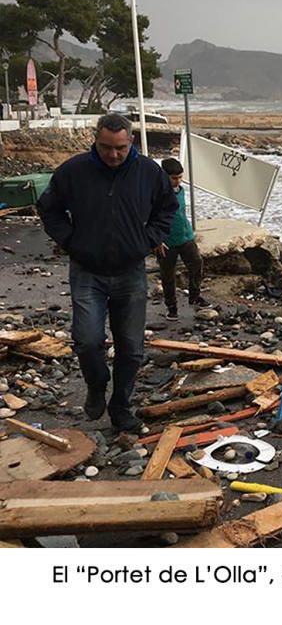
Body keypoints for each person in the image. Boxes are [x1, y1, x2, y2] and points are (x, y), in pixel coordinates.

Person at [37, 113, 177, 433]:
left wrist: (148, 240)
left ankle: (121, 407)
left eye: (120, 148)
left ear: (131, 143)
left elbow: (167, 208)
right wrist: (70, 240)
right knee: (87, 341)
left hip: (130, 271)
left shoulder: (148, 173)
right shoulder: (74, 170)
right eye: (105, 148)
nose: (113, 155)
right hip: (88, 271)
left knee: (131, 347)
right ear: (95, 142)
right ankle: (97, 385)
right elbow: (49, 208)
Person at [156, 158, 211, 320]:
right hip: (166, 242)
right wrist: (156, 240)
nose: (178, 181)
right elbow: (149, 218)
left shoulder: (182, 190)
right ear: (164, 176)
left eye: (180, 177)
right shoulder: (155, 194)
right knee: (167, 275)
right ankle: (171, 306)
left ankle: (194, 295)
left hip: (186, 236)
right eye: (174, 178)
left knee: (197, 263)